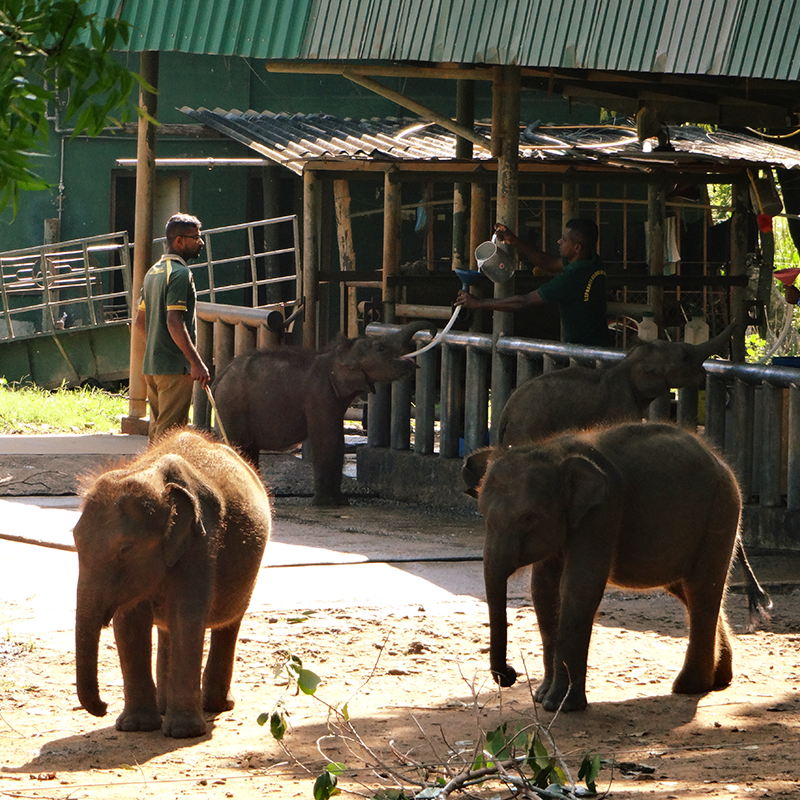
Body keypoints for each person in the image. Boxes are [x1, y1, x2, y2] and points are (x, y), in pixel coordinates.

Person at [455, 218, 611, 347]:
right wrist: (514, 241)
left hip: (583, 351)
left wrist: (479, 303)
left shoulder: (571, 278)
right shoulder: (592, 261)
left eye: (564, 240)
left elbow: (523, 301)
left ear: (577, 247)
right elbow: (548, 263)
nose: (559, 241)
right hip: (601, 345)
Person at [134, 213, 210, 442]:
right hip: (174, 370)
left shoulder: (152, 272)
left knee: (158, 433)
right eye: (195, 237)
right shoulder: (180, 274)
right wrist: (196, 363)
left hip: (153, 366)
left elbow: (140, 322)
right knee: (170, 438)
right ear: (179, 241)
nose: (201, 242)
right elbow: (174, 321)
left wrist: (158, 347)